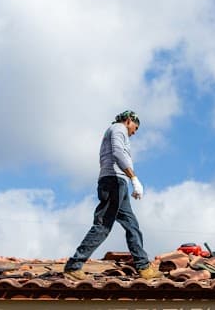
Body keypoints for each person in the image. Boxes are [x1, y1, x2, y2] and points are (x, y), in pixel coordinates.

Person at [64, 110, 162, 280]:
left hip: (118, 182)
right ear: (129, 120)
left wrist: (128, 180)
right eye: (135, 128)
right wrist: (134, 178)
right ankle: (74, 265)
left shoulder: (117, 131)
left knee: (132, 225)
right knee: (103, 226)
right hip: (113, 182)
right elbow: (118, 153)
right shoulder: (118, 129)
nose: (134, 132)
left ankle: (144, 267)